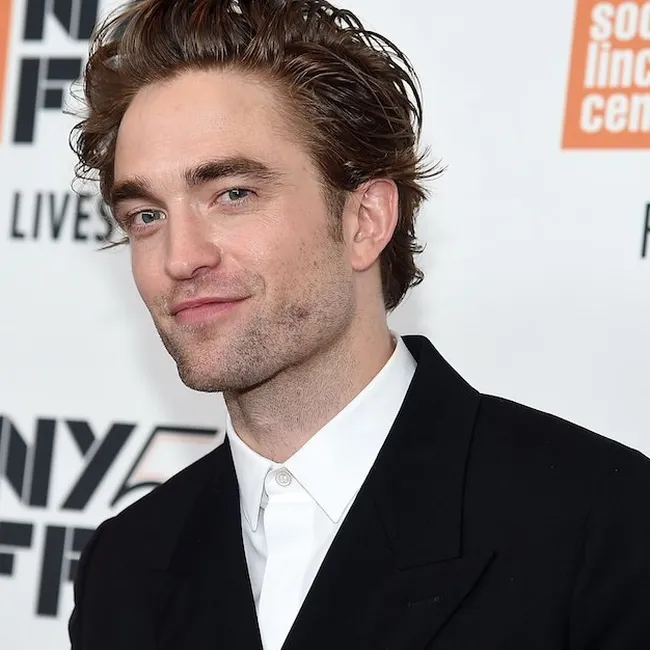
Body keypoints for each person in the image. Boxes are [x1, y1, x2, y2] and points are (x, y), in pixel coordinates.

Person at [68, 1, 650, 648]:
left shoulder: (603, 524)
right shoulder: (124, 567)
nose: (180, 258)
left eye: (233, 194)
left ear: (365, 221)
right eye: (146, 215)